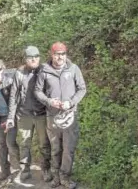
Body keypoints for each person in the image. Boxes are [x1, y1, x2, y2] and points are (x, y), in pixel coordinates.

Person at [34, 42, 87, 189]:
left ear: (66, 54)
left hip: (70, 115)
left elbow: (82, 89)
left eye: (63, 54)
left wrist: (71, 103)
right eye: (57, 54)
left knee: (68, 148)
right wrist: (49, 101)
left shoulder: (74, 69)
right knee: (56, 149)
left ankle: (65, 177)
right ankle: (56, 177)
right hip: (52, 116)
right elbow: (38, 91)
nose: (60, 57)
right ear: (51, 54)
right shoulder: (44, 71)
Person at [7, 46, 52, 182]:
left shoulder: (45, 70)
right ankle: (25, 170)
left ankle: (46, 169)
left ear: (40, 57)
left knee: (44, 144)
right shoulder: (19, 73)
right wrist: (10, 117)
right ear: (25, 59)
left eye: (36, 56)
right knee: (24, 144)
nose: (33, 59)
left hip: (41, 114)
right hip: (24, 115)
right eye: (30, 57)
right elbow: (13, 96)